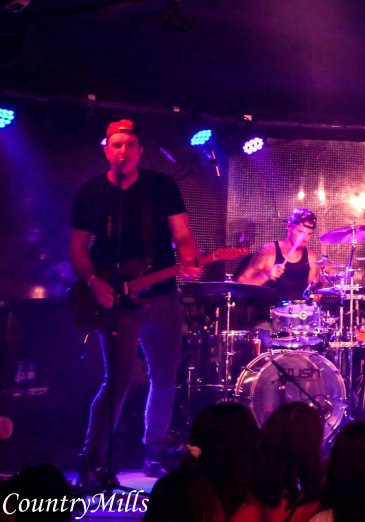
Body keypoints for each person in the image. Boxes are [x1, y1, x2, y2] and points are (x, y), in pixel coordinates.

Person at [70, 119, 201, 485]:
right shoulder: (92, 192)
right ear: (106, 151)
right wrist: (93, 282)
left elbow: (182, 234)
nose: (123, 151)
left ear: (140, 151)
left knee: (165, 376)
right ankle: (93, 461)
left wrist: (189, 256)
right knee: (118, 379)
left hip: (160, 293)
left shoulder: (161, 187)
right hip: (115, 296)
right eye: (116, 144)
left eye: (130, 144)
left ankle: (154, 452)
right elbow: (77, 248)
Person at [235, 208, 319, 301]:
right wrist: (265, 276)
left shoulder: (311, 256)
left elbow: (312, 295)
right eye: (301, 232)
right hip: (269, 309)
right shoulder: (268, 251)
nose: (305, 238)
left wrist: (324, 280)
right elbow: (240, 284)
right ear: (289, 227)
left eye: (309, 234)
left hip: (299, 310)